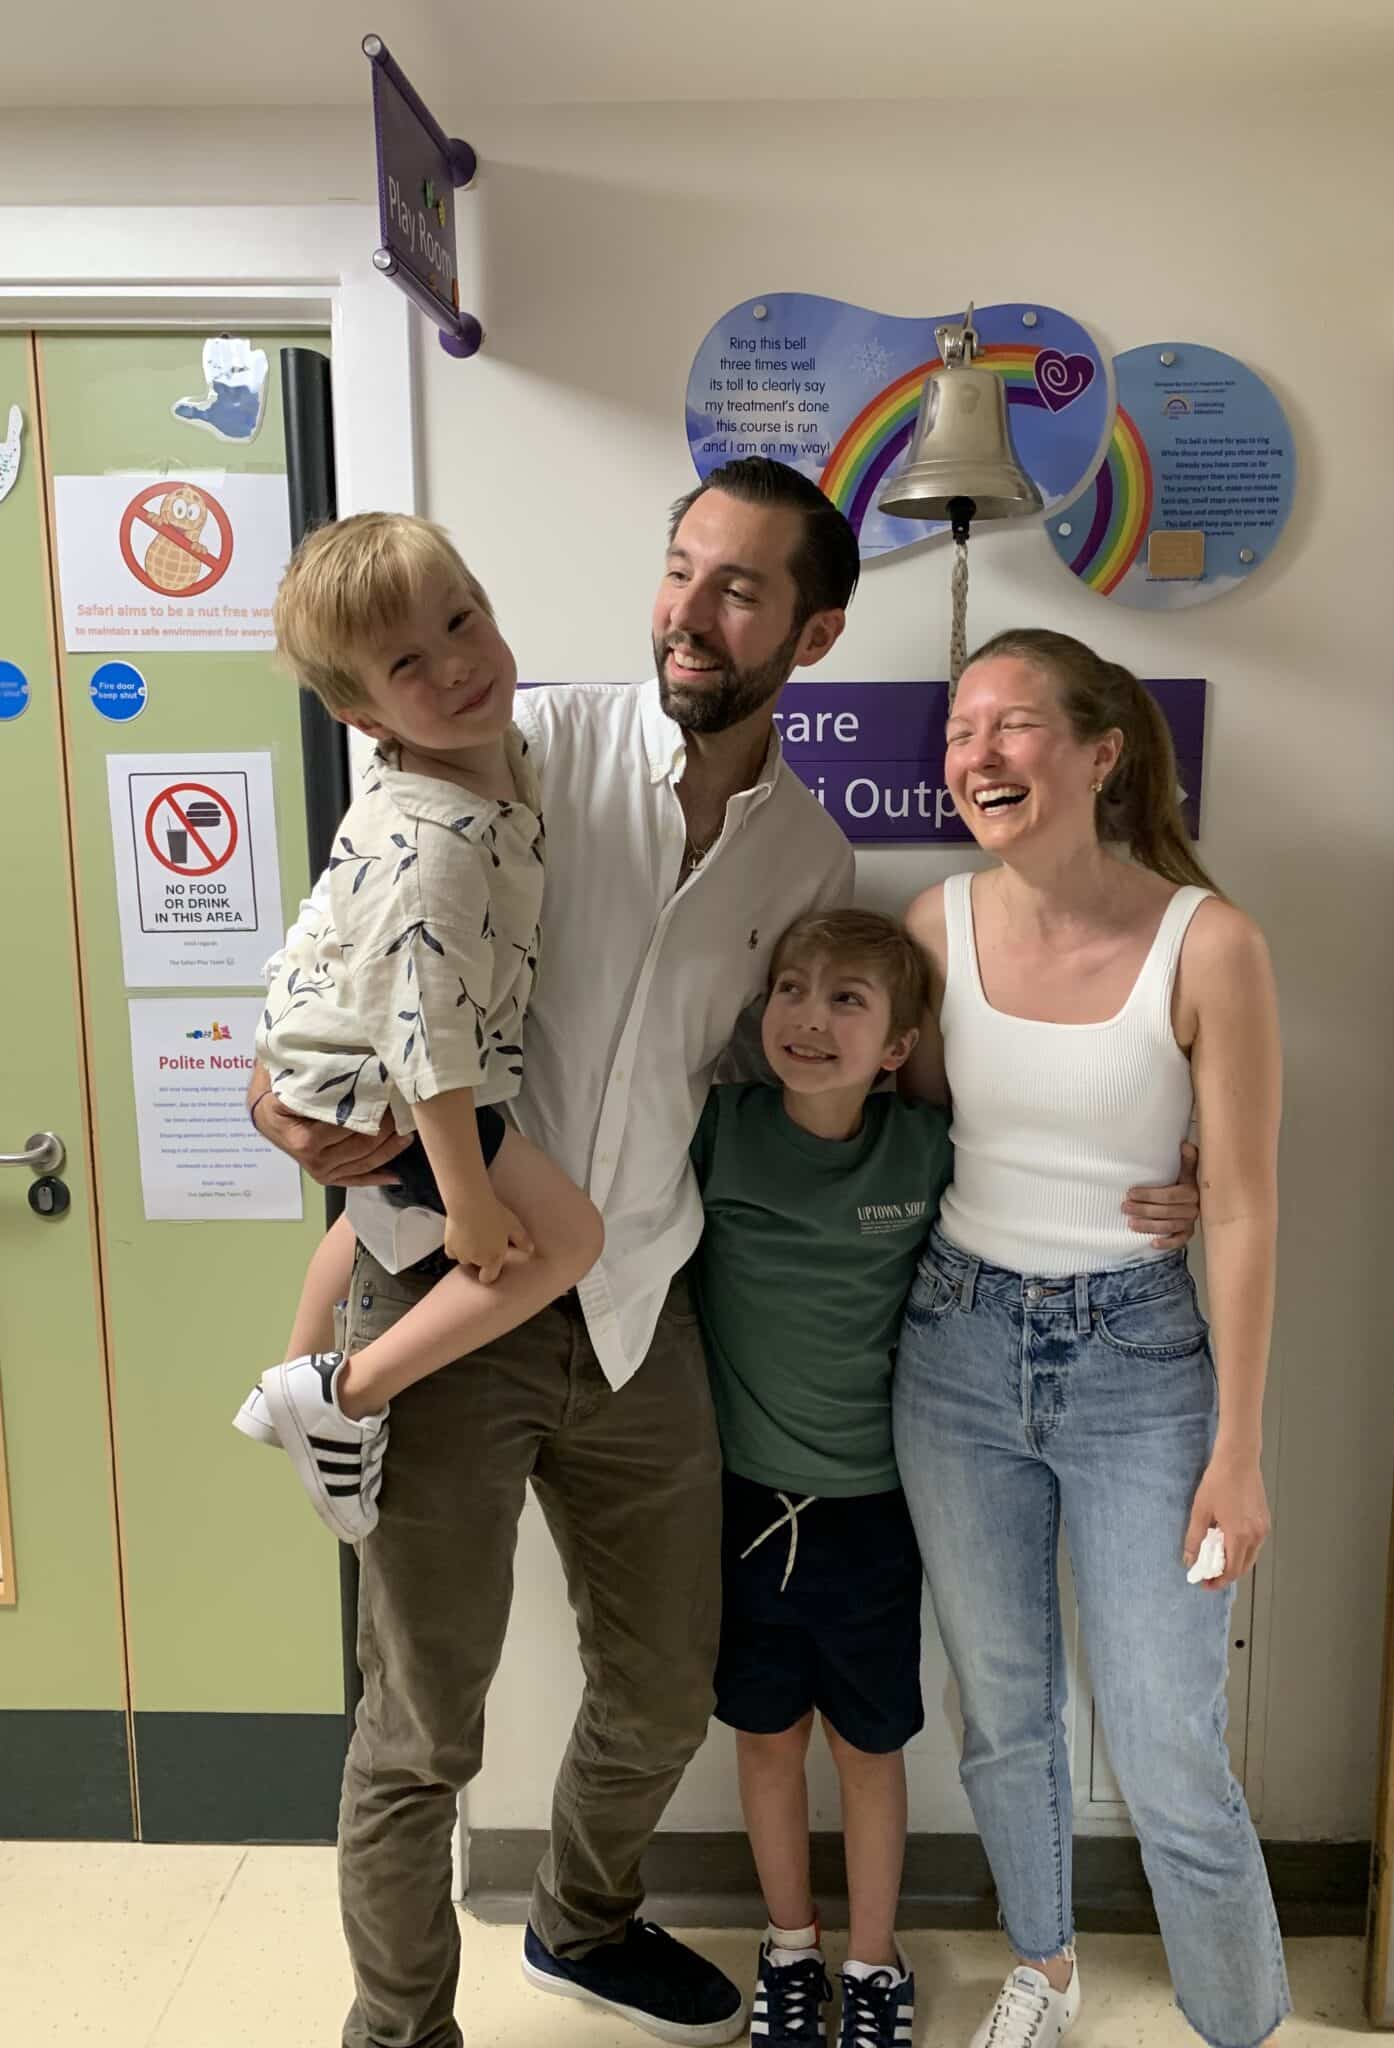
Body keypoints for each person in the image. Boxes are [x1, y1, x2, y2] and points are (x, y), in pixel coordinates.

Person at [250, 476, 1199, 2048]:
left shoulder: (810, 863)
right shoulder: (512, 751)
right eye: (679, 572)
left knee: (661, 1682)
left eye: (742, 592)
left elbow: (865, 1071)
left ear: (816, 631)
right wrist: (270, 1090)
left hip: (643, 1313)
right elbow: (350, 947)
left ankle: (582, 1916)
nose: (691, 614)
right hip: (447, 1296)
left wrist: (1170, 1153)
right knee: (420, 1727)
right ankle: (400, 2027)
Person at [894, 628, 1288, 2048]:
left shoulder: (1212, 942)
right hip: (954, 1353)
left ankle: (1238, 2021)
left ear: (1099, 753)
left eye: (1010, 727)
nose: (977, 757)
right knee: (1004, 1713)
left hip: (1144, 1372)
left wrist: (1237, 1453)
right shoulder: (935, 929)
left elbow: (1242, 1213)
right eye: (958, 735)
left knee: (1171, 1740)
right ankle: (1043, 1974)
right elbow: (912, 1132)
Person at [232, 513, 603, 1540]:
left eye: (462, 619)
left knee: (363, 1219)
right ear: (360, 710)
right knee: (567, 1237)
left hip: (337, 1052)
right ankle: (339, 1396)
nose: (456, 667)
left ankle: (286, 1383)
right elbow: (429, 1042)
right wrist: (471, 1200)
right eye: (409, 661)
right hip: (379, 1075)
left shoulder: (496, 757)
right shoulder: (429, 841)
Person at [691, 909, 948, 2048]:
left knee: (869, 1746)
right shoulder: (720, 1130)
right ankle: (789, 1947)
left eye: (848, 998)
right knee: (763, 1737)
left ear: (897, 1044)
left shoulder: (927, 1149)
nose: (809, 1015)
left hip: (877, 1515)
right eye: (792, 989)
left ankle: (875, 1963)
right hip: (744, 1508)